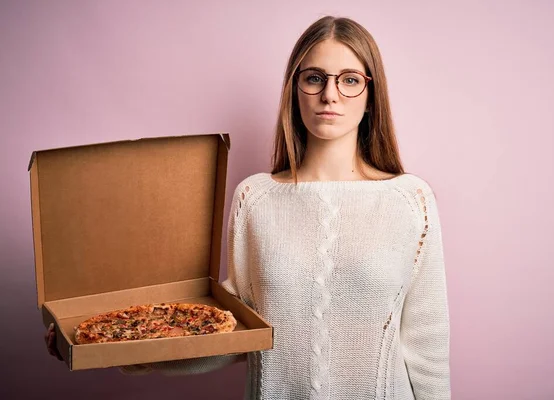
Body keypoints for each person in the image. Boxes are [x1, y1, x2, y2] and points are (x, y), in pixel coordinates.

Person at [46, 15, 451, 400]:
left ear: (371, 93)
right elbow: (233, 335)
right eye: (314, 78)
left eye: (349, 80)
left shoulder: (409, 200)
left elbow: (426, 341)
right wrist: (129, 349)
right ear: (294, 90)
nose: (330, 94)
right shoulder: (255, 199)